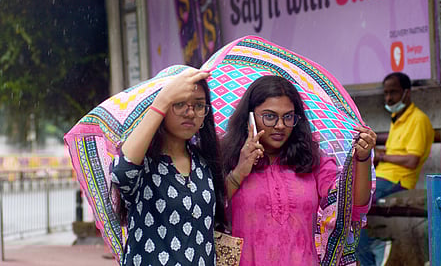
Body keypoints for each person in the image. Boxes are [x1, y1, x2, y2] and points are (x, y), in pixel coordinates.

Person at [221, 75, 376, 266]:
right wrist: (239, 172)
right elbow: (209, 211)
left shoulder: (312, 161)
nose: (280, 126)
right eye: (270, 116)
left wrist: (363, 158)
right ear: (249, 118)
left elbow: (352, 208)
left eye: (288, 117)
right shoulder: (225, 159)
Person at [111, 68, 226, 266]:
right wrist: (162, 100)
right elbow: (122, 172)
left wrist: (241, 169)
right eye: (179, 104)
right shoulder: (143, 163)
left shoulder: (203, 161)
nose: (190, 113)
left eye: (199, 105)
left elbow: (208, 206)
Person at [356, 72, 435, 266]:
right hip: (381, 176)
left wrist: (381, 155)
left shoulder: (418, 119)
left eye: (393, 92)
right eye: (386, 93)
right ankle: (372, 251)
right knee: (346, 201)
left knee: (353, 204)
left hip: (398, 181)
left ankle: (373, 250)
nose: (389, 98)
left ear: (407, 93)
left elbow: (412, 160)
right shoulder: (397, 117)